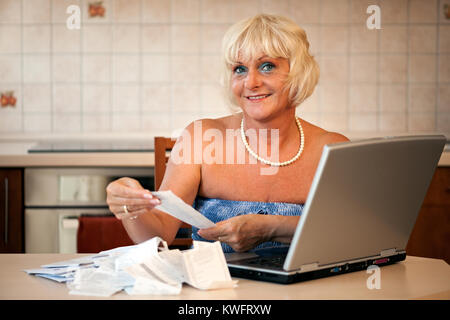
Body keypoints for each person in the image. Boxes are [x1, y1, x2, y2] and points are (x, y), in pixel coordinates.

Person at [106, 14, 349, 253]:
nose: (250, 82)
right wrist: (130, 208)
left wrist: (273, 227)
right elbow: (159, 237)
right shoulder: (200, 137)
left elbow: (352, 233)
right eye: (240, 69)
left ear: (298, 73)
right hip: (218, 291)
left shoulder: (333, 149)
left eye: (267, 66)